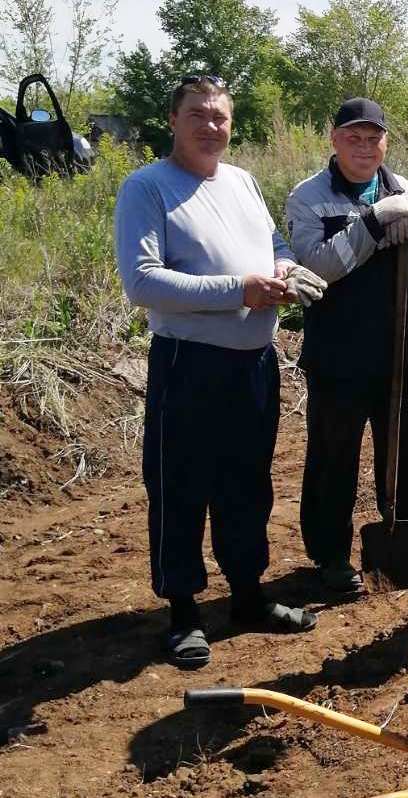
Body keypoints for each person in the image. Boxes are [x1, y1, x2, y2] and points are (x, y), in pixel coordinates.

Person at [114, 75, 322, 668]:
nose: (211, 126)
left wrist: (284, 266)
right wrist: (241, 288)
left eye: (220, 117)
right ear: (173, 120)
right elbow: (142, 280)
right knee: (180, 486)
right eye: (198, 115)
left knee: (247, 482)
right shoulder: (147, 187)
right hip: (189, 364)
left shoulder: (242, 182)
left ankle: (249, 596)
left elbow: (274, 239)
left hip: (254, 362)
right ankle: (182, 611)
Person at [285, 97, 408, 593]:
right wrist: (372, 224)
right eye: (354, 138)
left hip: (404, 354)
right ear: (334, 139)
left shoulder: (405, 189)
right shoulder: (309, 198)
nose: (365, 147)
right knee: (332, 459)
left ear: (385, 142)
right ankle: (330, 556)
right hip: (339, 359)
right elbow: (314, 268)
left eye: (374, 138)